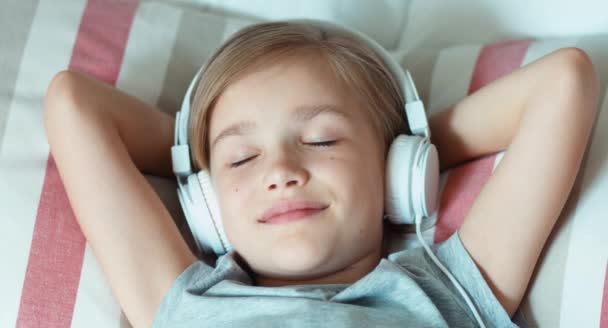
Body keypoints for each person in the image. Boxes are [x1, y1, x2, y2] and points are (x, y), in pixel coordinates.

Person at [43, 20, 599, 328]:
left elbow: (565, 82)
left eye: (321, 140)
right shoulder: (185, 304)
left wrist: (408, 157)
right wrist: (194, 161)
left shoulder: (447, 291)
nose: (281, 171)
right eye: (241, 159)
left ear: (392, 172)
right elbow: (73, 104)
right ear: (207, 203)